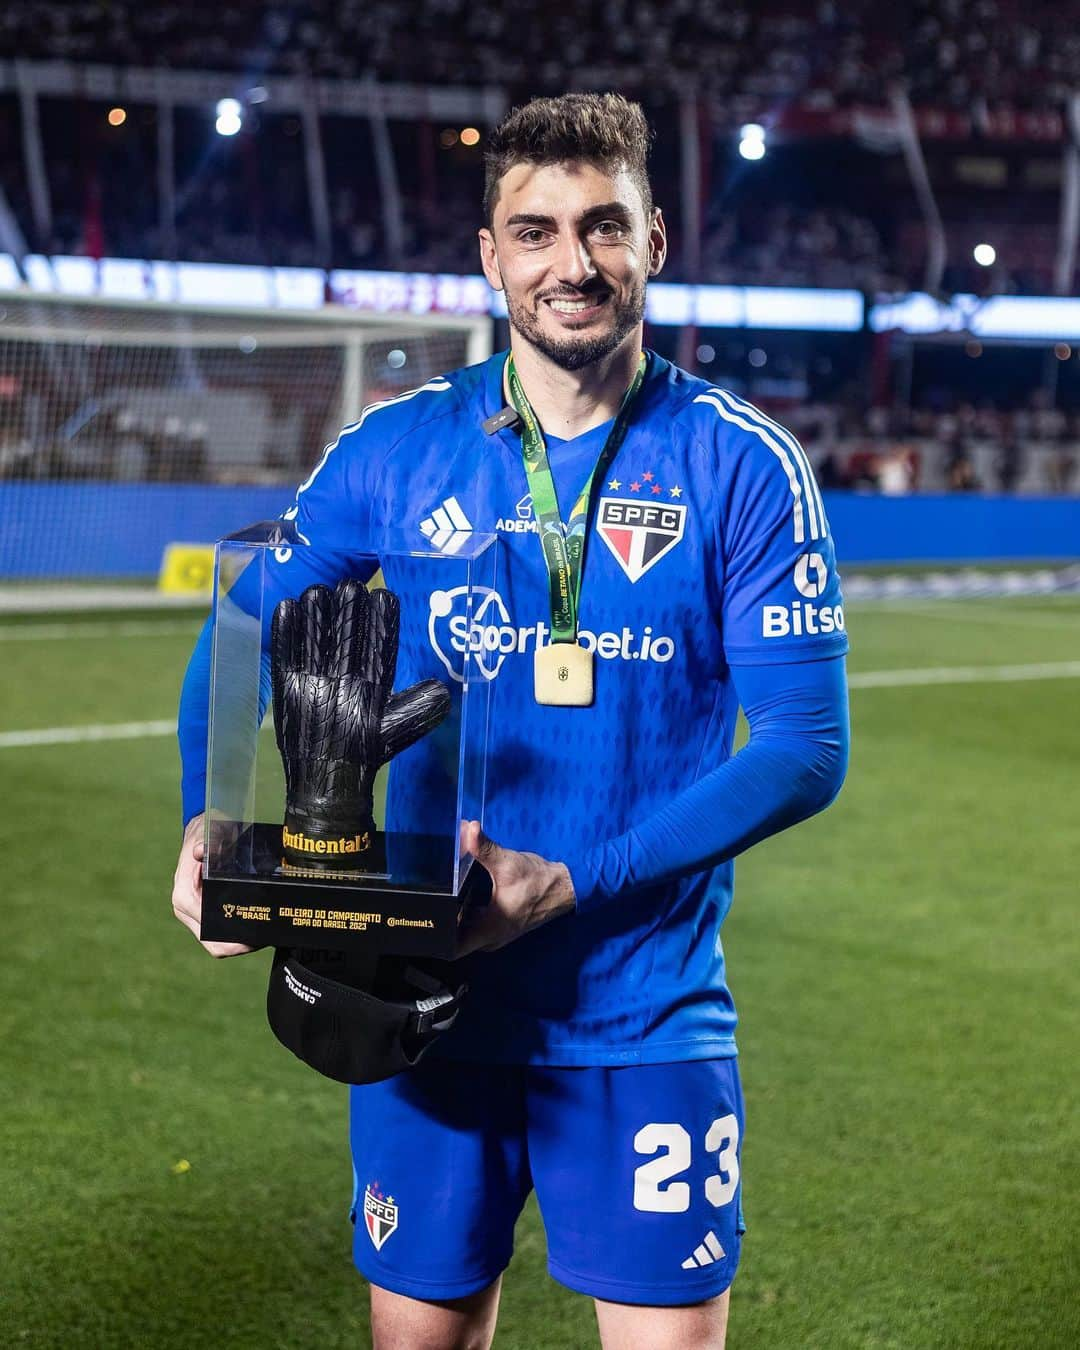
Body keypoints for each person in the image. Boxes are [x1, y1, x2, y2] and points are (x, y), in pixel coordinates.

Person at [172, 92, 850, 1350]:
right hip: (422, 1004)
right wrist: (207, 823)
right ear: (491, 258)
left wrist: (574, 882)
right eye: (534, 231)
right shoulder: (397, 450)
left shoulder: (745, 465)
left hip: (643, 1013)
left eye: (603, 226)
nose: (570, 262)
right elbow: (238, 624)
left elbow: (806, 748)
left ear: (654, 242)